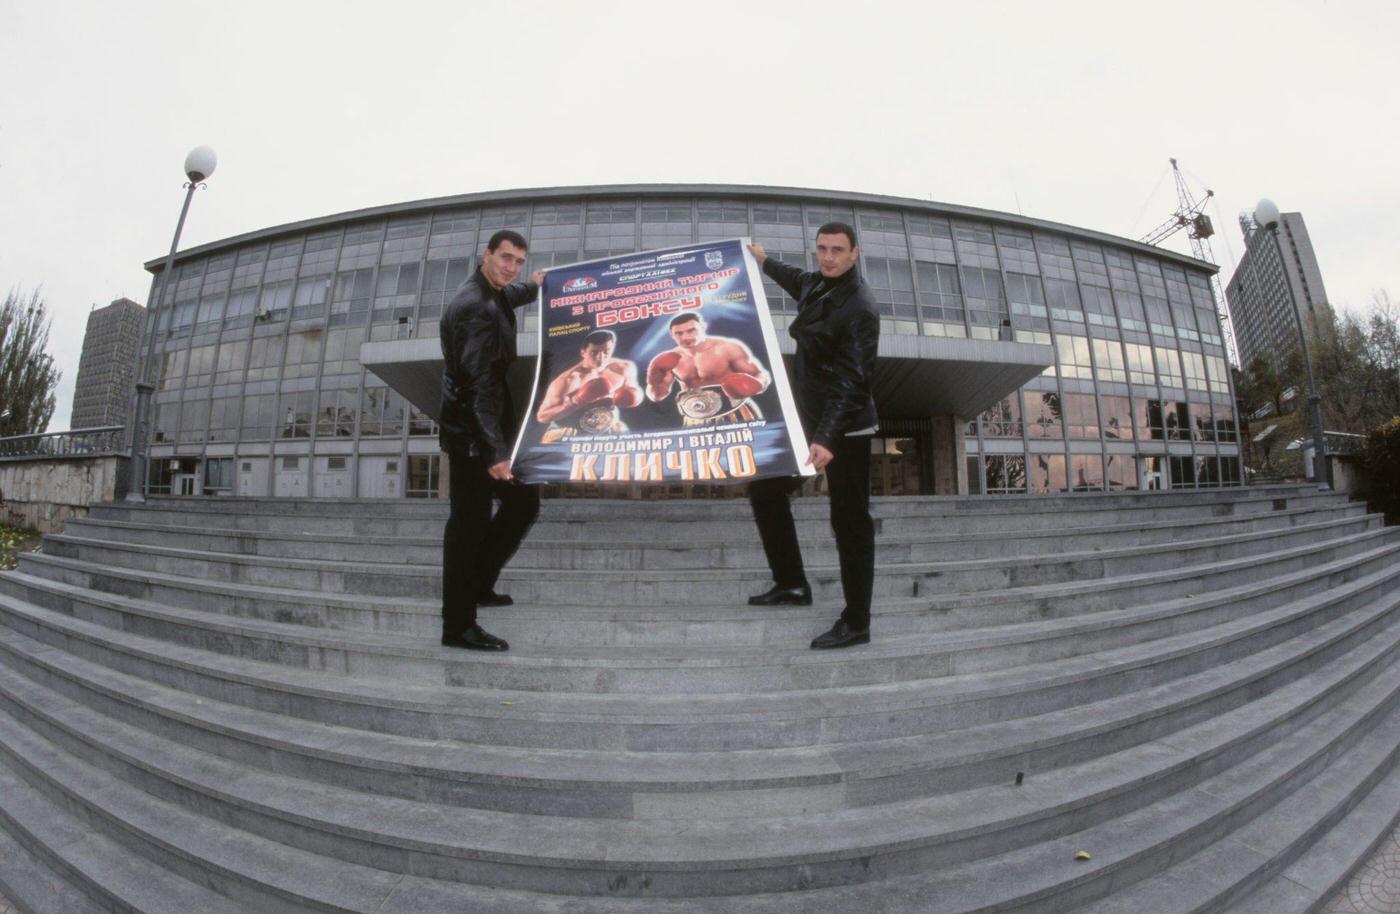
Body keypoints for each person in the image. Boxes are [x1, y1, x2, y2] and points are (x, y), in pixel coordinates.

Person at [747, 223, 880, 650]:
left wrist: (826, 439)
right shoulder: (817, 285)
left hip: (846, 427)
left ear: (855, 253)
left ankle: (857, 621)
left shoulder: (859, 307)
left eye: (837, 250)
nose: (828, 257)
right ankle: (791, 584)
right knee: (766, 490)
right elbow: (794, 277)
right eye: (822, 249)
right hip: (810, 420)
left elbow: (852, 381)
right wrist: (763, 260)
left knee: (849, 521)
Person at [438, 229, 545, 651]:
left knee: (523, 503)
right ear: (485, 255)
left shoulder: (492, 293)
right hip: (473, 438)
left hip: (482, 430)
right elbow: (476, 386)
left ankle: (479, 584)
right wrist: (494, 452)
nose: (511, 267)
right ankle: (458, 626)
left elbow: (511, 294)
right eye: (505, 258)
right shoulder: (476, 308)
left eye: (519, 261)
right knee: (468, 527)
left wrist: (534, 286)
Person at [645, 311, 770, 426]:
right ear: (672, 335)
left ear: (703, 327)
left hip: (737, 412)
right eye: (679, 333)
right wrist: (654, 381)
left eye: (691, 330)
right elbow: (656, 396)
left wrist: (756, 384)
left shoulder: (727, 348)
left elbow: (760, 375)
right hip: (695, 419)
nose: (685, 337)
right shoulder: (671, 358)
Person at [535, 330, 642, 441]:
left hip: (607, 428)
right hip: (569, 430)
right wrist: (573, 403)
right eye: (594, 352)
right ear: (583, 352)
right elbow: (542, 417)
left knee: (622, 433)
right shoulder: (569, 379)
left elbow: (634, 393)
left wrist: (634, 396)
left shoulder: (624, 369)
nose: (600, 357)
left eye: (606, 351)